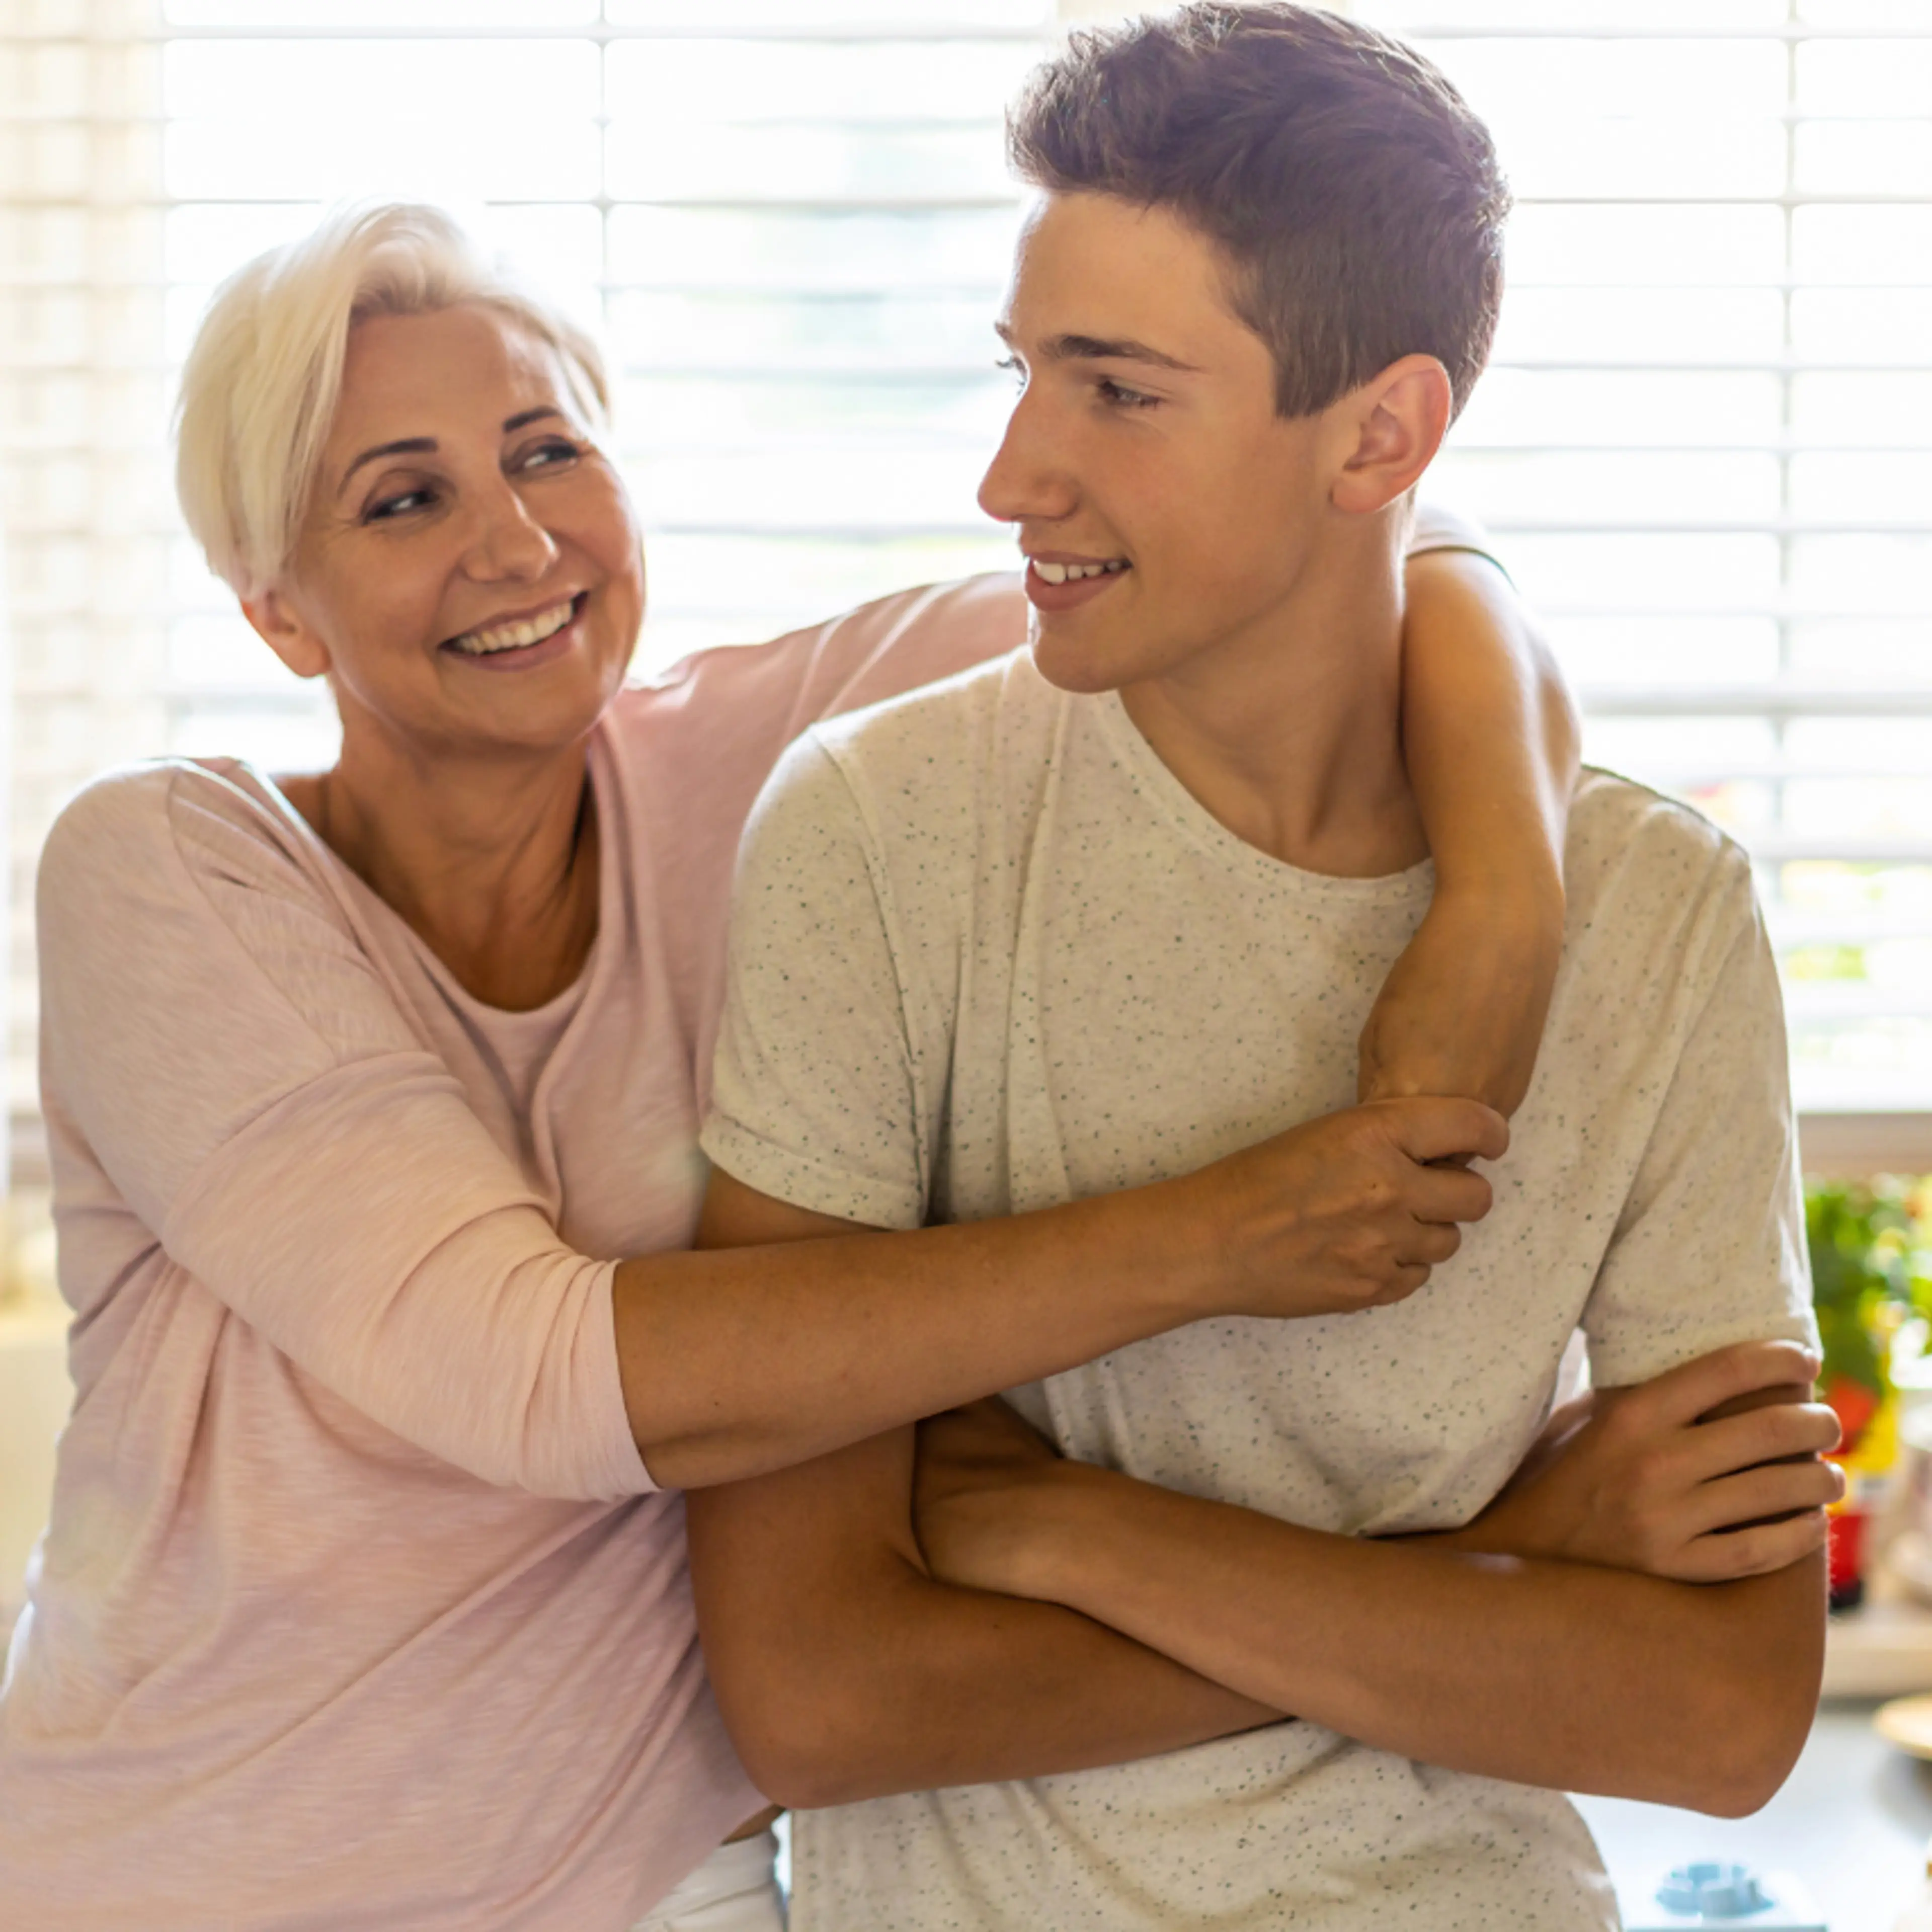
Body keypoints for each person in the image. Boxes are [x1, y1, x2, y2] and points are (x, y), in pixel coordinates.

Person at [0, 196, 1619, 1932]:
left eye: (548, 451)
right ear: (281, 618)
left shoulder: (777, 764)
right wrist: (1238, 1261)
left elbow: (1356, 544)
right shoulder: (173, 869)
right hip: (183, 1874)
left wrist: (1508, 899)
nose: (517, 539)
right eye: (404, 498)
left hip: (660, 1885)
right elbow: (531, 1375)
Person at [685, 11, 1835, 1930]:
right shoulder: (881, 835)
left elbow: (1722, 1715)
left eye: (1119, 393)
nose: (1012, 476)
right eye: (1027, 371)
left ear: (1381, 435)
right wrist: (1488, 1568)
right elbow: (818, 1697)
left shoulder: (1657, 909)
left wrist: (1071, 1527)